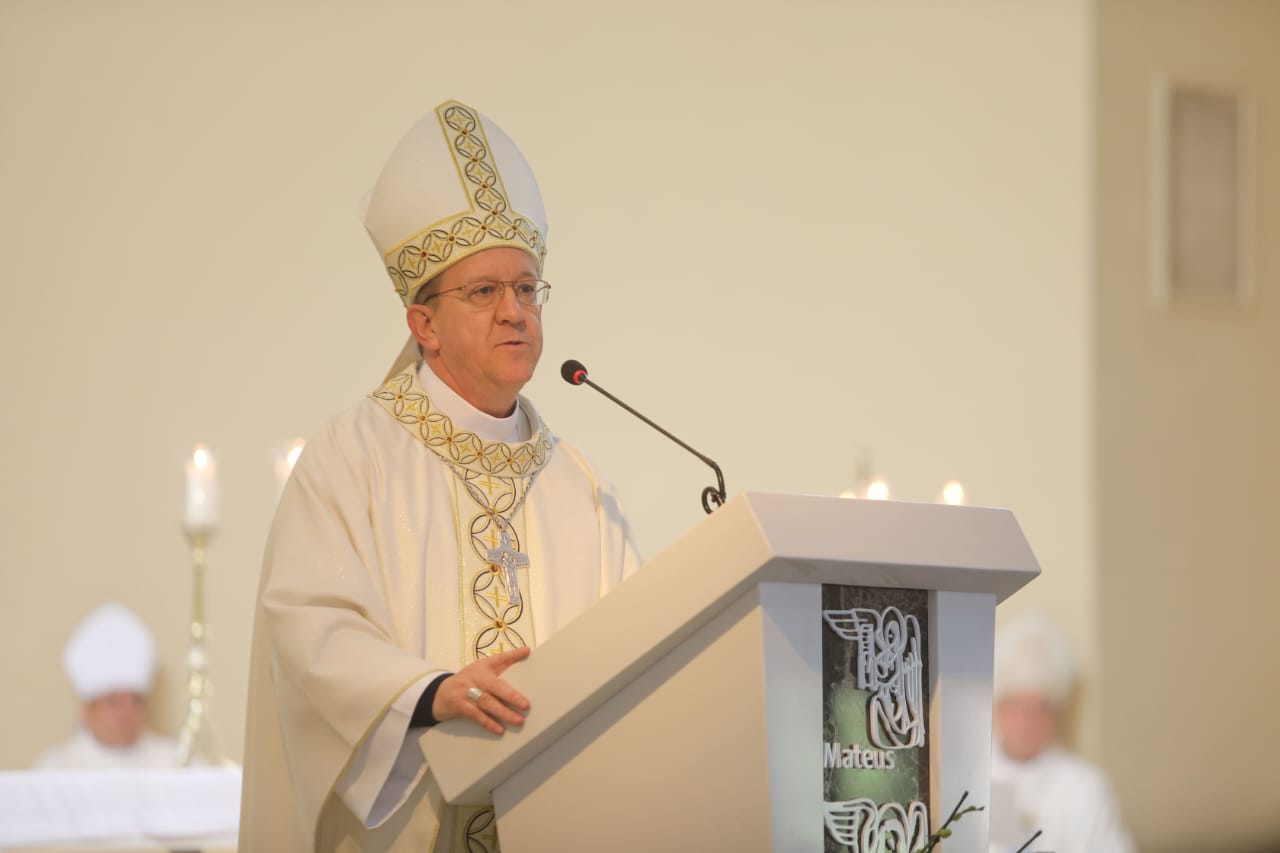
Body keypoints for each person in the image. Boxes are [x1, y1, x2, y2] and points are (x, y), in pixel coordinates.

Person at [239, 99, 642, 852]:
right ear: (422, 324)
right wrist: (426, 693)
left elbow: (636, 649)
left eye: (527, 288)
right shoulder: (352, 458)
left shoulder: (580, 485)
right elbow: (309, 628)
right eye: (483, 292)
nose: (515, 312)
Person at [988, 612, 1134, 853]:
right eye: (1017, 708)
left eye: (1040, 709)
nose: (1027, 722)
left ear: (1056, 715)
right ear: (998, 711)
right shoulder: (976, 780)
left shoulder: (1085, 787)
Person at [34, 602, 179, 770]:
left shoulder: (174, 763)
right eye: (113, 701)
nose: (127, 713)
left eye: (136, 700)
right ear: (87, 710)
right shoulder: (55, 769)